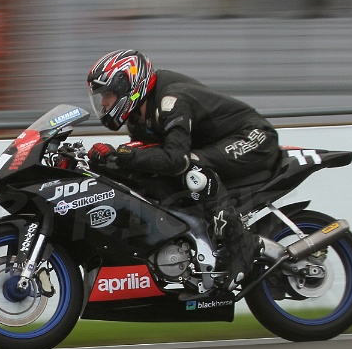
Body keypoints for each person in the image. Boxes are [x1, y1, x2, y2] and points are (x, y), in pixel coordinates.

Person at [86, 49, 280, 296]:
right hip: (213, 146)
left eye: (109, 94)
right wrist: (109, 160)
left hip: (254, 136)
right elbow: (149, 158)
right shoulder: (137, 117)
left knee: (194, 168)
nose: (103, 103)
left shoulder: (172, 100)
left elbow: (176, 159)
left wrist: (126, 155)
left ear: (129, 85)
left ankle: (243, 243)